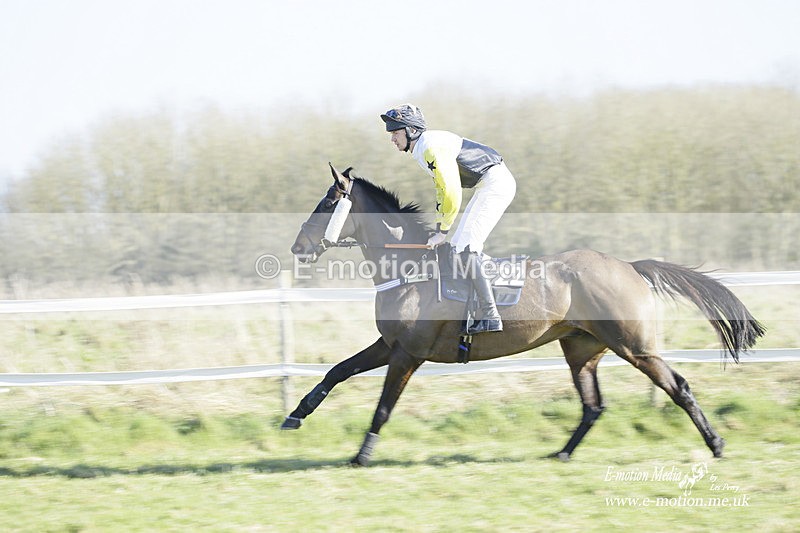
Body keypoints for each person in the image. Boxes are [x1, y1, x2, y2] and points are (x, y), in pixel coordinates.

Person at [380, 103, 517, 334]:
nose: (392, 138)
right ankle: (472, 306)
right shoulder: (423, 148)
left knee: (466, 247)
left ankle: (492, 315)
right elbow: (442, 192)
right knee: (457, 247)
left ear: (411, 130)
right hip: (487, 185)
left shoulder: (429, 147)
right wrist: (440, 227)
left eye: (395, 132)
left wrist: (441, 230)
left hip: (496, 185)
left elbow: (451, 191)